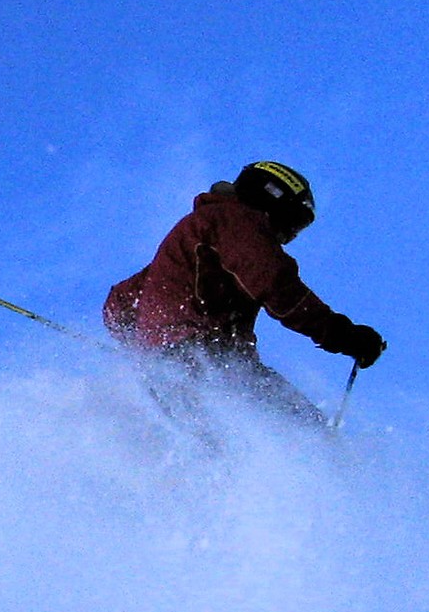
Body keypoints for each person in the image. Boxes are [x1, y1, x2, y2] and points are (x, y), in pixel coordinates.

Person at [104, 161, 385, 422]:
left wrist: (144, 350)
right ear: (272, 202)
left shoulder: (204, 230)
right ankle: (322, 452)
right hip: (198, 355)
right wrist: (344, 335)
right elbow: (276, 285)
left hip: (173, 363)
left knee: (221, 436)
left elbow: (123, 301)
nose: (289, 235)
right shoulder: (236, 223)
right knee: (298, 424)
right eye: (292, 221)